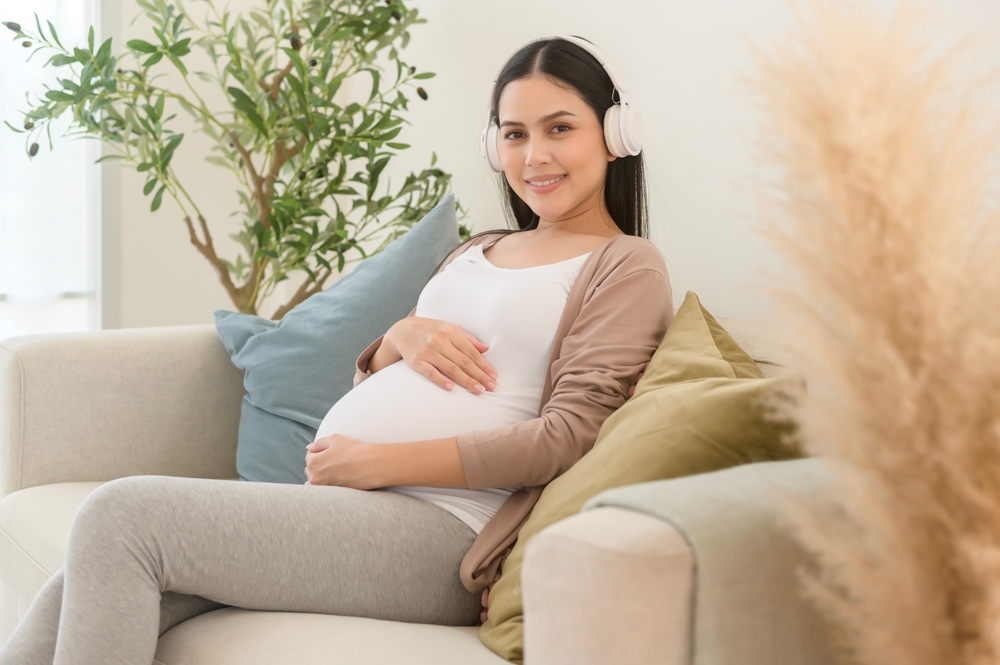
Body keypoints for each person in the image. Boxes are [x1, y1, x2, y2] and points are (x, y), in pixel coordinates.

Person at [0, 35, 673, 665]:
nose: (535, 156)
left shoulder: (626, 266)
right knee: (87, 578)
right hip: (353, 505)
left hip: (446, 532)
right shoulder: (478, 248)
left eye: (560, 128)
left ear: (615, 136)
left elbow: (570, 436)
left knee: (122, 514)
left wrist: (379, 462)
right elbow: (375, 379)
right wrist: (394, 342)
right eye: (515, 134)